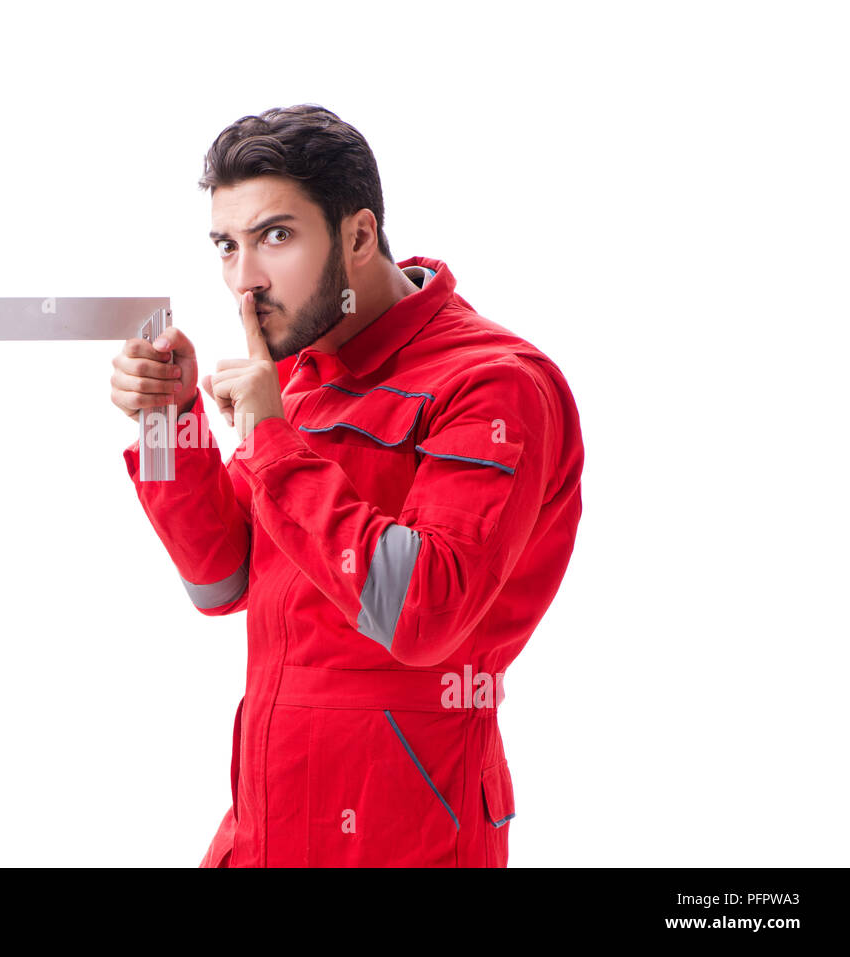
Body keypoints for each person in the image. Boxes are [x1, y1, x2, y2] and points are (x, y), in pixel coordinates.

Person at [110, 104, 584, 867]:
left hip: (408, 832)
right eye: (226, 246)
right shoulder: (297, 374)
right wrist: (173, 425)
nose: (244, 281)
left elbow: (423, 611)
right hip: (266, 820)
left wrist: (270, 436)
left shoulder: (493, 386)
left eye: (276, 237)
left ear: (359, 235)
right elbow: (221, 576)